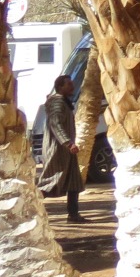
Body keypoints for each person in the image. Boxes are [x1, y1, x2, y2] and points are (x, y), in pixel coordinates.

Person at [36, 74, 84, 222]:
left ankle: (73, 215)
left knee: (74, 182)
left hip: (67, 151)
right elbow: (56, 124)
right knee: (50, 181)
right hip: (58, 150)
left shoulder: (63, 102)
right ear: (60, 87)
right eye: (68, 84)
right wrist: (68, 143)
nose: (72, 87)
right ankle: (30, 208)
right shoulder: (57, 103)